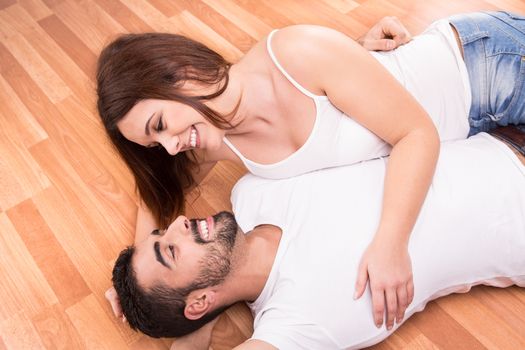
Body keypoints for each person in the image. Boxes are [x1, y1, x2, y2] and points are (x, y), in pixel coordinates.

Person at [99, 11, 525, 327]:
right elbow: (154, 193)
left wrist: (391, 244)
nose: (170, 148)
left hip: (487, 68)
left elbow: (417, 134)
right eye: (154, 143)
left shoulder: (295, 53)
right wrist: (143, 291)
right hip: (477, 134)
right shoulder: (208, 139)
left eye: (159, 126)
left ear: (177, 74)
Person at [112, 130, 525, 349]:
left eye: (162, 234)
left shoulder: (252, 191)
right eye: (168, 249)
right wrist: (192, 332)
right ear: (199, 300)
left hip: (497, 131)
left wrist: (189, 299)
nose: (180, 221)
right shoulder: (293, 324)